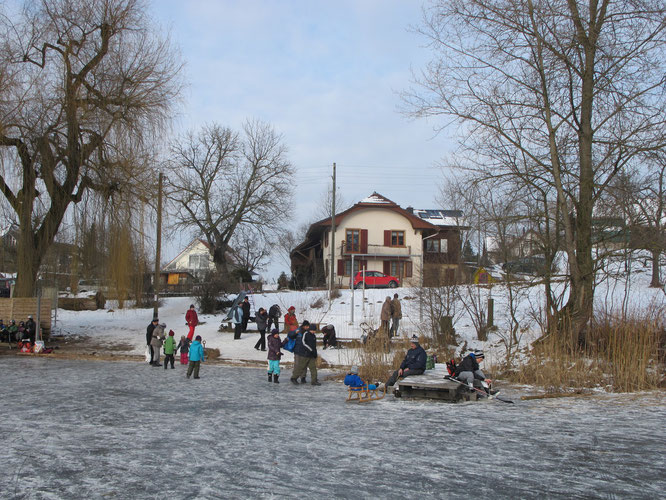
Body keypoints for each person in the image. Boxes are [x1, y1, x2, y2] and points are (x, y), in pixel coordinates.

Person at [290, 320, 320, 386]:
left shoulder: (313, 336)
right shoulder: (306, 334)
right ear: (310, 329)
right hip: (305, 354)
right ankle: (294, 378)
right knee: (301, 367)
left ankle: (314, 381)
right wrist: (310, 350)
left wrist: (315, 353)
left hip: (311, 355)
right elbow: (304, 343)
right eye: (313, 330)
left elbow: (314, 346)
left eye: (315, 330)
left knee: (313, 368)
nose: (314, 332)